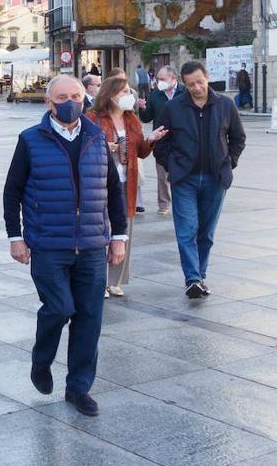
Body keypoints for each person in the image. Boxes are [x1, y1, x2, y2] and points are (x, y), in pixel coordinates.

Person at [4, 75, 128, 417]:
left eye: (75, 95)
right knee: (58, 308)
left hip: (91, 245)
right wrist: (16, 237)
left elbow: (113, 191)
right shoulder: (30, 140)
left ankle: (79, 388)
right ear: (49, 102)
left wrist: (119, 236)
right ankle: (41, 360)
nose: (70, 101)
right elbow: (12, 190)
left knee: (89, 318)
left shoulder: (97, 138)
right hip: (48, 244)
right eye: (62, 96)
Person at [154, 62, 245, 299]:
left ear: (207, 78)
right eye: (191, 84)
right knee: (187, 230)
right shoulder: (173, 108)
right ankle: (192, 278)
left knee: (206, 233)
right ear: (184, 83)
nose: (196, 88)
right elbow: (160, 142)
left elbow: (238, 138)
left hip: (215, 179)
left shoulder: (225, 104)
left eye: (200, 82)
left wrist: (228, 162)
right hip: (185, 179)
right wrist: (171, 166)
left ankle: (200, 275)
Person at [87, 77, 167, 298]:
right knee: (102, 230)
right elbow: (84, 145)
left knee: (123, 232)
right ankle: (99, 280)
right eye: (123, 91)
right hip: (101, 183)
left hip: (127, 182)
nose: (128, 95)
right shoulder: (94, 117)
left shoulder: (131, 119)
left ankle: (116, 281)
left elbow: (140, 150)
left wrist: (151, 139)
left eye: (127, 91)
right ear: (111, 95)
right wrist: (104, 146)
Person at [137, 65, 184, 215]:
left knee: (182, 174)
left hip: (182, 140)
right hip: (161, 140)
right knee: (162, 175)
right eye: (158, 79)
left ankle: (181, 202)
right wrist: (142, 108)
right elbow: (147, 117)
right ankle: (164, 204)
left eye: (162, 79)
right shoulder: (155, 94)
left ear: (173, 78)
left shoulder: (184, 92)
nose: (159, 82)